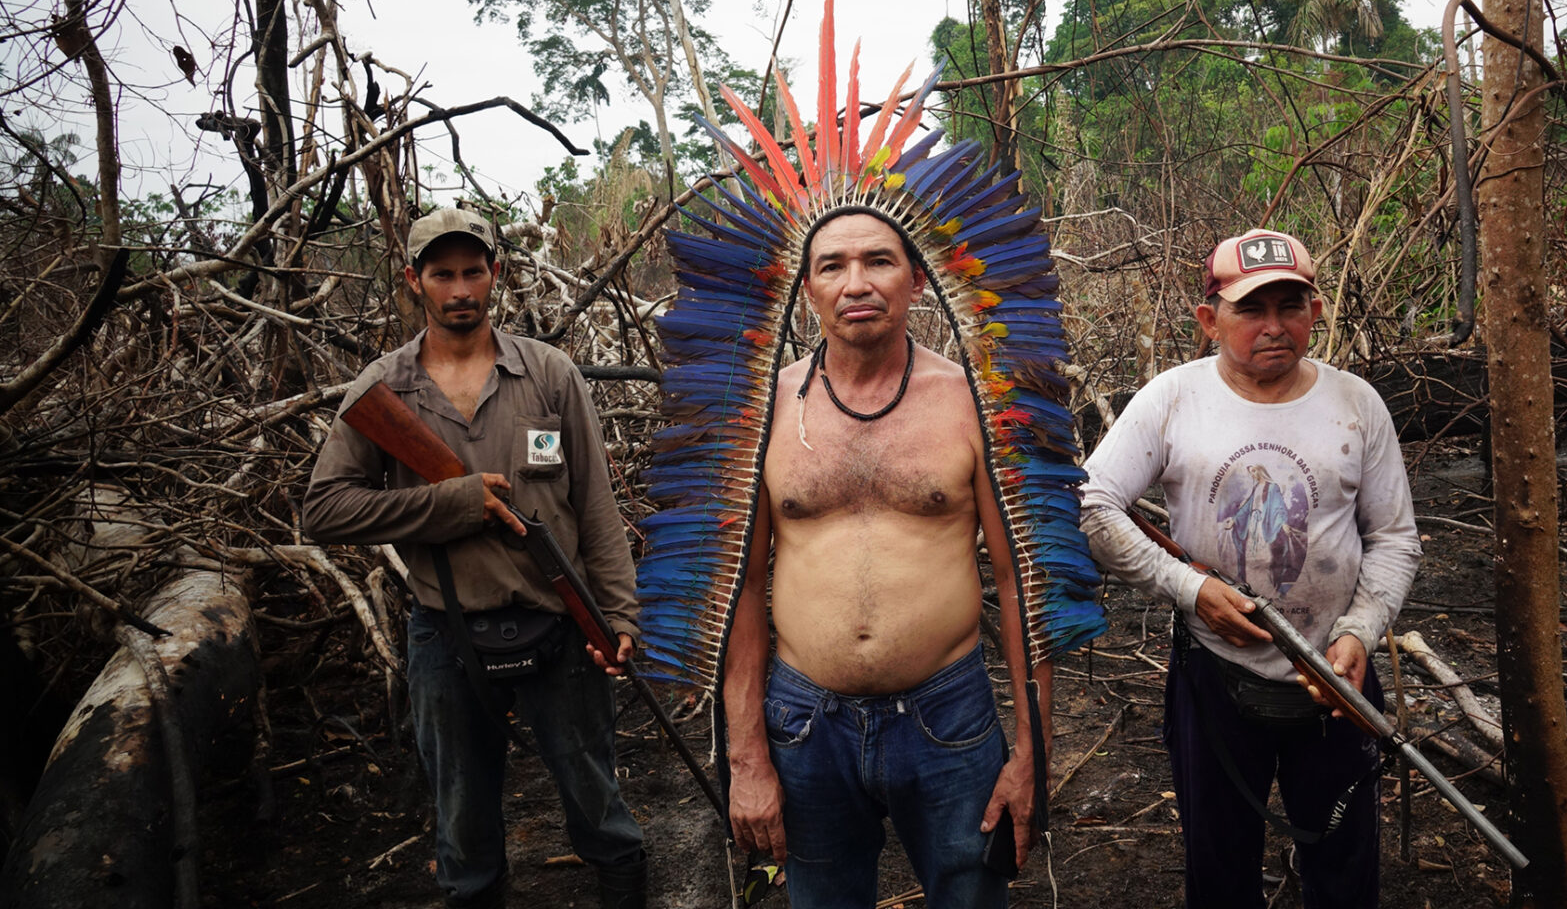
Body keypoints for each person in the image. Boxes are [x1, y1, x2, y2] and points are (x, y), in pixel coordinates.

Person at [304, 208, 649, 909]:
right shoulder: (385, 389)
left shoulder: (548, 373)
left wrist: (617, 616)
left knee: (598, 800)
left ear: (496, 274)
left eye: (472, 271)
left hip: (560, 622)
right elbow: (325, 509)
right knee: (462, 825)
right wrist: (452, 505)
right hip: (445, 630)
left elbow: (597, 510)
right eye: (442, 274)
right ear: (414, 281)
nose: (460, 289)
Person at [1079, 228, 1421, 909]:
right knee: (1219, 861)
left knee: (1344, 868)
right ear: (1209, 320)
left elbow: (1394, 538)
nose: (1274, 327)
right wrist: (1188, 587)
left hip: (1336, 683)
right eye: (1250, 310)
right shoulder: (1173, 399)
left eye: (1291, 306)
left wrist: (1357, 631)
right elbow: (1092, 505)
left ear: (1316, 312)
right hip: (1215, 683)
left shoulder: (1357, 404)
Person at [723, 209, 1052, 909]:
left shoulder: (973, 404)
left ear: (918, 280)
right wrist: (747, 753)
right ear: (807, 290)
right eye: (832, 267)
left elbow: (1019, 579)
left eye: (878, 261)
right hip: (804, 721)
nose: (856, 283)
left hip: (948, 713)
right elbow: (744, 587)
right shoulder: (765, 410)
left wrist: (1033, 752)